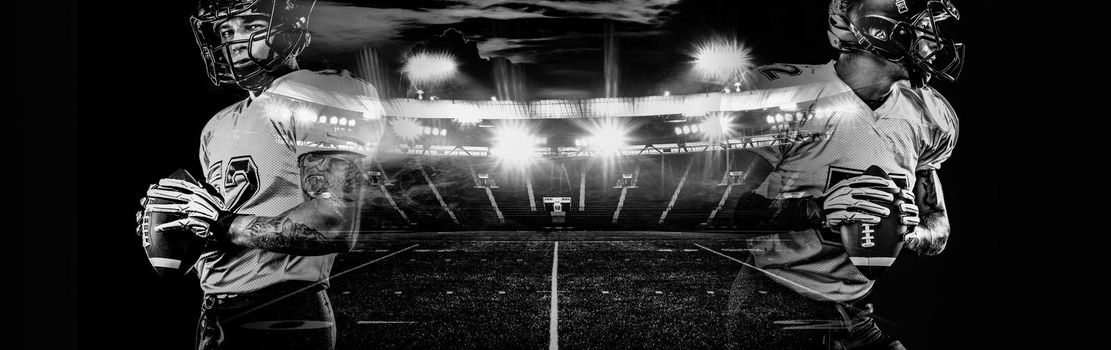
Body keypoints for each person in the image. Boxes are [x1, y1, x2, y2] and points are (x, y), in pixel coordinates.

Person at [136, 0, 384, 349]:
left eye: (251, 25)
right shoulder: (217, 124)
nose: (235, 40)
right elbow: (226, 223)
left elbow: (334, 221)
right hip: (214, 313)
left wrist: (222, 224)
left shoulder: (321, 93)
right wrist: (182, 227)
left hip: (283, 309)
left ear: (290, 30)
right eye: (225, 30)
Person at [726, 0, 963, 348]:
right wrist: (819, 211)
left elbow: (938, 228)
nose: (933, 42)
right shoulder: (790, 96)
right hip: (772, 301)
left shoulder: (928, 114)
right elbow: (719, 209)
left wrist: (909, 231)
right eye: (921, 27)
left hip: (854, 312)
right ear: (879, 29)